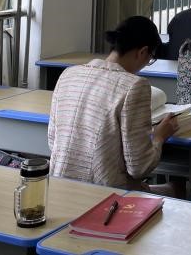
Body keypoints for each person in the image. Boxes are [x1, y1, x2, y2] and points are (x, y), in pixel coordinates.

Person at [48, 16, 178, 189]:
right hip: (106, 193)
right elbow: (139, 167)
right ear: (142, 52)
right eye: (150, 58)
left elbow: (52, 141)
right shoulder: (134, 85)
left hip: (59, 186)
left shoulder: (68, 74)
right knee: (175, 190)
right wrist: (159, 137)